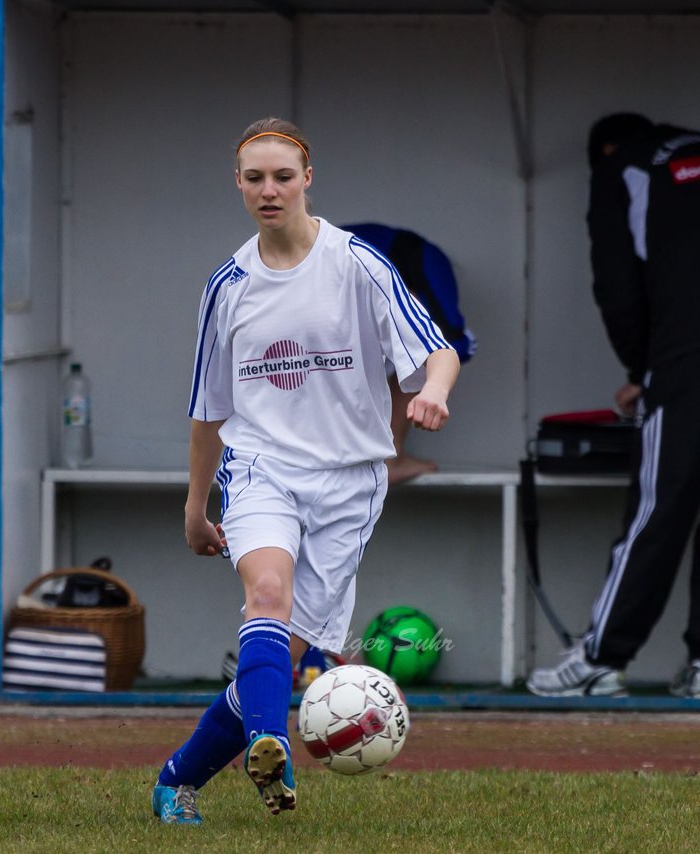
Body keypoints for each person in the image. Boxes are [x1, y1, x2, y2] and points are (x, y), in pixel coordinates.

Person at [152, 118, 459, 824]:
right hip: (261, 467)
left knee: (279, 660)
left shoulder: (357, 263)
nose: (269, 190)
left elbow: (436, 353)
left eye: (282, 176)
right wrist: (197, 506)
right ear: (237, 183)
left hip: (350, 484)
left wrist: (433, 391)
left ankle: (177, 779)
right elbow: (207, 410)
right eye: (254, 178)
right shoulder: (228, 285)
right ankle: (270, 743)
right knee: (266, 594)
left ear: (307, 179)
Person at [527, 113, 700, 700]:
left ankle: (601, 659)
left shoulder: (626, 166)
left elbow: (618, 287)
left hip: (686, 357)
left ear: (603, 149)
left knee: (660, 503)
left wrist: (641, 370)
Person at [341, 223, 476, 484]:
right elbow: (452, 343)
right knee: (430, 352)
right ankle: (391, 458)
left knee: (418, 352)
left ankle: (385, 455)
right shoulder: (429, 266)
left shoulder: (417, 266)